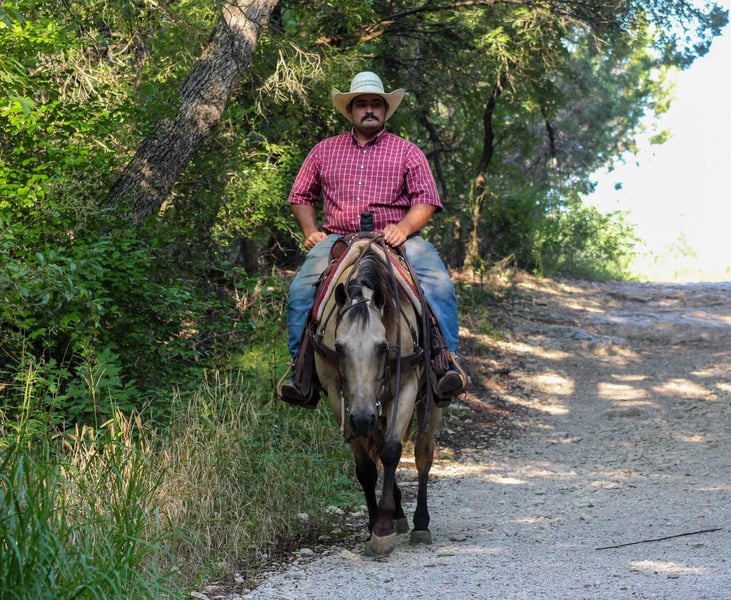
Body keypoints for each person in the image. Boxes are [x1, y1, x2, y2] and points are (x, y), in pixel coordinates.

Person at [278, 71, 466, 405]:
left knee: (439, 284)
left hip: (396, 237)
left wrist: (403, 228)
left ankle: (446, 363)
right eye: (361, 103)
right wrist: (310, 232)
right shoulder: (323, 151)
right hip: (339, 237)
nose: (369, 109)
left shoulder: (408, 152)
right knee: (300, 289)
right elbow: (300, 195)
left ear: (385, 110)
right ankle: (300, 371)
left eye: (375, 104)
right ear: (350, 110)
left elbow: (426, 200)